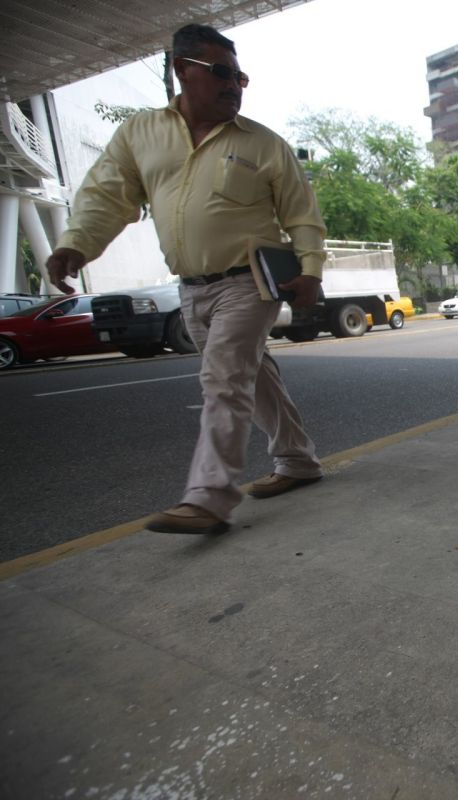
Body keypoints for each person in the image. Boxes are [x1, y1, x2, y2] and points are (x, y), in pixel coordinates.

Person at [46, 24, 326, 535]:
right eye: (221, 73)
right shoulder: (140, 134)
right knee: (252, 375)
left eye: (240, 76)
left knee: (224, 378)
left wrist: (310, 271)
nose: (234, 85)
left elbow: (302, 215)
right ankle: (298, 460)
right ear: (184, 70)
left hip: (251, 283)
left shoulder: (265, 144)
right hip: (192, 289)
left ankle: (209, 497)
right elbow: (108, 196)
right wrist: (76, 244)